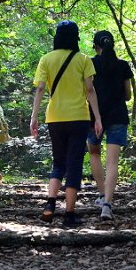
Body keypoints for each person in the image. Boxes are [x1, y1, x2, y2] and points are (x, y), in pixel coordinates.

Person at [30, 20, 103, 227]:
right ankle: (69, 214)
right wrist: (97, 117)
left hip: (55, 118)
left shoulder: (46, 59)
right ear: (76, 38)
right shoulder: (84, 59)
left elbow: (41, 89)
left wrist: (34, 116)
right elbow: (90, 90)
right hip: (79, 117)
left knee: (58, 162)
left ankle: (50, 204)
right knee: (74, 165)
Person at [87, 30, 134, 221]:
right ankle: (107, 203)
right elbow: (128, 94)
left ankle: (100, 195)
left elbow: (87, 91)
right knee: (113, 161)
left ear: (95, 46)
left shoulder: (89, 64)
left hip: (93, 117)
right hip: (118, 116)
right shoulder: (123, 65)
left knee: (94, 153)